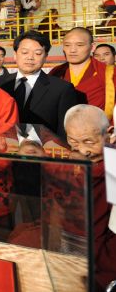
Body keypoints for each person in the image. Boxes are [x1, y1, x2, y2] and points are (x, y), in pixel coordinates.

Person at [63, 104, 115, 291]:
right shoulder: (68, 161)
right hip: (68, 247)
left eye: (89, 142)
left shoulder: (113, 167)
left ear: (108, 134)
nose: (82, 150)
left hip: (101, 257)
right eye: (74, 142)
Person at [0, 30, 78, 139]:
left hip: (43, 151)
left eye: (38, 53)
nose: (30, 57)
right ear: (15, 55)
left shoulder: (62, 89)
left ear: (45, 56)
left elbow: (65, 132)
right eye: (25, 52)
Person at [50, 27, 116, 121]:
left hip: (98, 131)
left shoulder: (110, 73)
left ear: (92, 47)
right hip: (62, 132)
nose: (72, 50)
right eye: (67, 45)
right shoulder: (56, 73)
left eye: (79, 45)